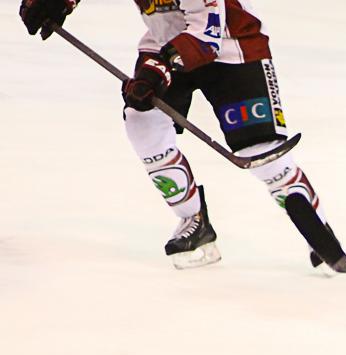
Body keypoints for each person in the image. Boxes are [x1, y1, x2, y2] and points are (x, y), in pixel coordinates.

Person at [19, 0, 327, 269]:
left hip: (231, 45)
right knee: (142, 123)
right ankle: (193, 218)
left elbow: (207, 34)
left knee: (259, 152)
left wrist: (159, 69)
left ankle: (319, 231)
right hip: (163, 41)